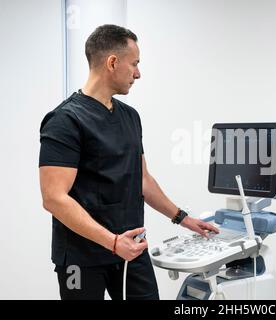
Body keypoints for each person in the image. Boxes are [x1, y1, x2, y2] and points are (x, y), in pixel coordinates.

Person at [39, 24, 218, 300]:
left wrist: (184, 219)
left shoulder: (130, 116)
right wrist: (112, 242)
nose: (138, 73)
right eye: (134, 64)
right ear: (112, 62)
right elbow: (54, 198)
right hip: (82, 257)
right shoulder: (65, 121)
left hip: (131, 249)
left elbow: (143, 180)